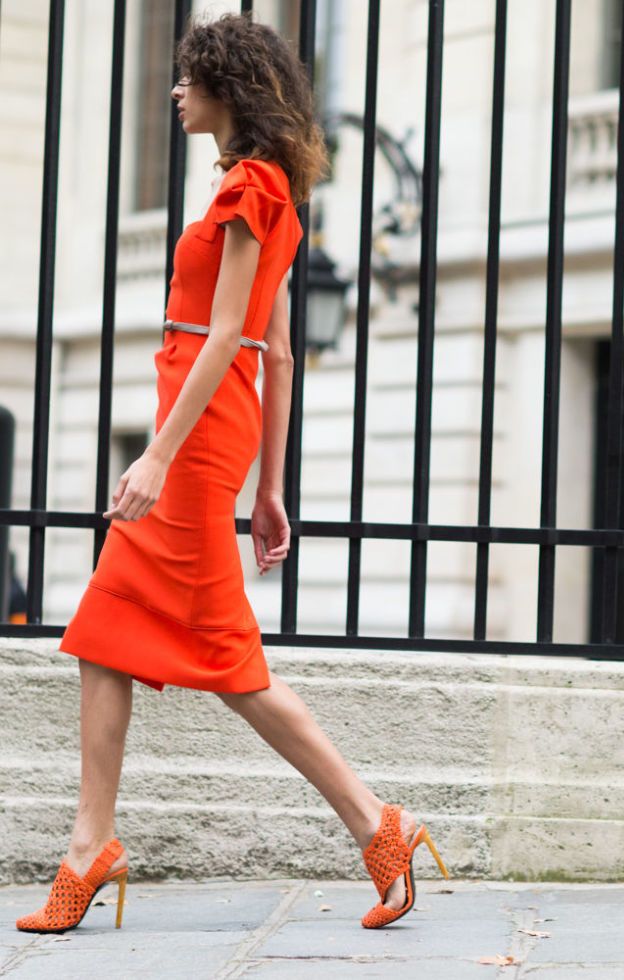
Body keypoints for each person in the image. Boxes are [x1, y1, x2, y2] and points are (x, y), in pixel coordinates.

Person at [15, 12, 447, 936]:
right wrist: (271, 488)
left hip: (197, 430)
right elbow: (278, 354)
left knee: (225, 657)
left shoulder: (252, 186)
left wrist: (159, 457)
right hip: (220, 427)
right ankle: (91, 845)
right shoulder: (274, 188)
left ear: (227, 91)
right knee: (107, 628)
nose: (177, 94)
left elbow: (227, 340)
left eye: (190, 81)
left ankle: (380, 825)